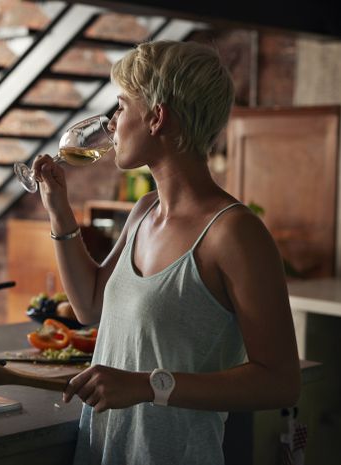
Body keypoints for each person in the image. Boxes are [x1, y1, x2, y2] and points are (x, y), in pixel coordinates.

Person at [32, 40, 301, 465]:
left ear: (157, 118)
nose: (112, 123)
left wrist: (147, 385)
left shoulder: (234, 233)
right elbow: (89, 306)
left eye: (121, 107)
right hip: (104, 450)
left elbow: (281, 382)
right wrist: (59, 213)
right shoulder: (143, 211)